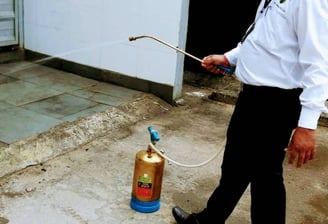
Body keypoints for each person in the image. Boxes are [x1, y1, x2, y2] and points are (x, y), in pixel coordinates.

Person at [172, 0, 328, 223]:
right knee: (234, 166)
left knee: (266, 179)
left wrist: (307, 125)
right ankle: (208, 221)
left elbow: (319, 63)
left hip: (276, 103)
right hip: (252, 98)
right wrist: (230, 58)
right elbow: (261, 38)